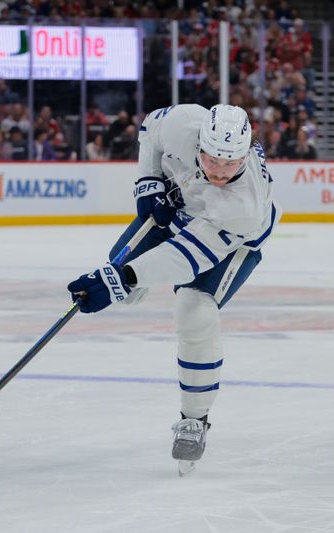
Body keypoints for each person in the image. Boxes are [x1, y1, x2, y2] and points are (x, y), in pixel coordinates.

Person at [67, 104, 279, 474]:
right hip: (180, 207)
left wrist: (124, 277)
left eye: (230, 165)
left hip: (232, 241)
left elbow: (183, 259)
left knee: (194, 311)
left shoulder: (243, 206)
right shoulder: (184, 122)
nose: (219, 171)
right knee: (122, 281)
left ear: (246, 153)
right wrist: (148, 180)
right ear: (199, 142)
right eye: (212, 160)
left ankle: (194, 419)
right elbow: (151, 129)